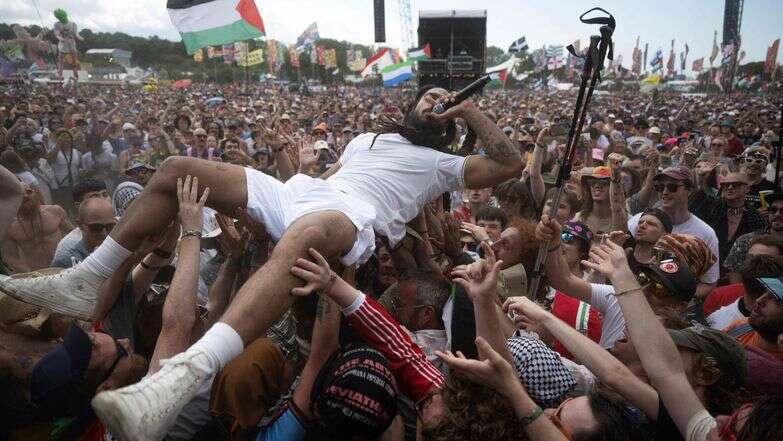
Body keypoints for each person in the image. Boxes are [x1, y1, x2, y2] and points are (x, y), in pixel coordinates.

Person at [1, 86, 523, 439]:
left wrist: (465, 109)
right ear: (409, 108)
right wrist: (266, 200)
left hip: (346, 218)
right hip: (303, 195)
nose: (435, 102)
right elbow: (333, 175)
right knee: (177, 169)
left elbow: (508, 163)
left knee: (305, 234)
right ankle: (88, 280)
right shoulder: (369, 138)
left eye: (443, 101)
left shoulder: (442, 164)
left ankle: (183, 375)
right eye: (428, 97)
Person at [627, 166, 720, 299]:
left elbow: (709, 283)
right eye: (660, 187)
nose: (665, 192)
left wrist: (674, 299)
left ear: (689, 190)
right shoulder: (639, 220)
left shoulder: (706, 233)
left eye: (672, 187)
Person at [2, 184, 73, 273]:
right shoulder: (9, 225)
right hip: (35, 274)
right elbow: (11, 257)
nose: (25, 196)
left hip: (64, 268)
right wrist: (31, 274)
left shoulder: (55, 211)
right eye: (20, 194)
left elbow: (75, 234)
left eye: (28, 192)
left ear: (35, 193)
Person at [51, 197, 115, 268]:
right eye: (96, 227)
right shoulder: (65, 261)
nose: (104, 233)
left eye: (110, 226)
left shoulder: (120, 253)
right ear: (80, 225)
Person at [626, 208, 673, 274]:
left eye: (651, 224)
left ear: (665, 234)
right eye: (640, 222)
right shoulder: (624, 249)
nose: (642, 226)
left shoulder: (668, 264)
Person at [52, 8, 83, 80]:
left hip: (71, 43)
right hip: (63, 44)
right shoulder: (57, 24)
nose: (62, 19)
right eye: (60, 17)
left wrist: (79, 37)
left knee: (74, 58)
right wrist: (62, 39)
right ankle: (60, 74)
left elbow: (76, 33)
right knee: (61, 59)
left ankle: (75, 73)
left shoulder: (73, 24)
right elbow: (57, 35)